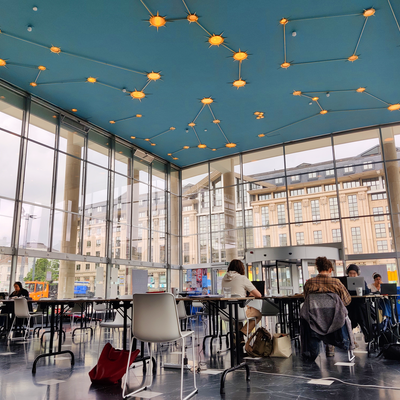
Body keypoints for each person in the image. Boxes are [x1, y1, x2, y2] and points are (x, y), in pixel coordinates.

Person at [303, 257, 351, 357]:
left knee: (317, 316)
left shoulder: (309, 283)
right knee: (334, 315)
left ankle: (314, 349)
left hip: (315, 320)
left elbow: (307, 301)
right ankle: (330, 345)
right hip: (335, 321)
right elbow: (347, 301)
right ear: (330, 270)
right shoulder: (336, 282)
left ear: (318, 269)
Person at [221, 259, 262, 336]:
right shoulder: (242, 278)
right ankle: (242, 333)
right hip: (240, 311)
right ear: (241, 268)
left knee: (237, 320)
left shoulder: (224, 279)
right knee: (258, 314)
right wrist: (251, 294)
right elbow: (258, 295)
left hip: (226, 312)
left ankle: (239, 341)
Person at [345, 264, 373, 343]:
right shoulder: (345, 282)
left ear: (358, 274)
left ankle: (352, 336)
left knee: (359, 310)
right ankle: (367, 335)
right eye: (350, 273)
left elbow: (367, 292)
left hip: (358, 305)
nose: (352, 275)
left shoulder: (362, 281)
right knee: (360, 311)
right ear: (348, 273)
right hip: (350, 305)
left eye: (354, 273)